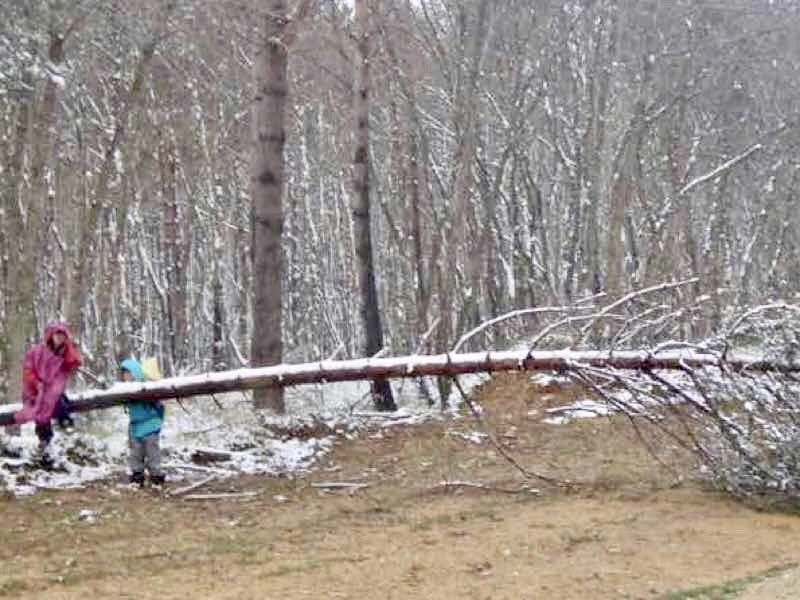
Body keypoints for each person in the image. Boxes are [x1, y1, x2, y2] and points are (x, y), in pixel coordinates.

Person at [14, 322, 82, 468]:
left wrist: (68, 350)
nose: (60, 338)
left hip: (53, 390)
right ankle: (46, 449)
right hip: (36, 390)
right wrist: (36, 384)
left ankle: (63, 426)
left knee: (59, 402)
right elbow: (28, 371)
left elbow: (73, 363)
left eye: (63, 336)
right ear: (51, 335)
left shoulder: (64, 351)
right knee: (41, 415)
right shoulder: (37, 352)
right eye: (57, 335)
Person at [118, 357, 165, 487]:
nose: (126, 376)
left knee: (152, 452)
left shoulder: (147, 387)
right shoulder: (124, 390)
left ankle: (156, 476)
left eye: (128, 373)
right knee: (135, 452)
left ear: (135, 373)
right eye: (124, 374)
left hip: (150, 424)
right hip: (135, 426)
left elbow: (158, 404)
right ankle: (137, 475)